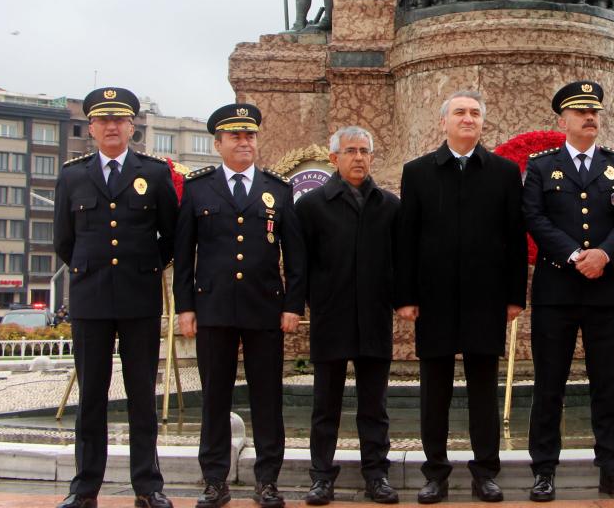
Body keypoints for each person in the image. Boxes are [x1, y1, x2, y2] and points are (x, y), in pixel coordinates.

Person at [394, 91, 528, 504]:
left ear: (482, 123)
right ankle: (435, 472)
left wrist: (514, 296)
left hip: (485, 298)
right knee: (435, 390)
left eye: (474, 113)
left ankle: (486, 471)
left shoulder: (504, 172)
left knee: (483, 390)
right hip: (433, 299)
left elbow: (514, 238)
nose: (467, 119)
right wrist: (406, 296)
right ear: (444, 122)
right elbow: (406, 239)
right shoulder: (417, 172)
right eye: (459, 113)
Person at [173, 103, 306, 508]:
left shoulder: (278, 189)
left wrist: (292, 306)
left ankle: (267, 480)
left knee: (267, 396)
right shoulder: (198, 189)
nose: (244, 142)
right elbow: (184, 253)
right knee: (214, 397)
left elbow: (296, 256)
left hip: (264, 308)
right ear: (218, 144)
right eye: (235, 136)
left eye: (249, 135)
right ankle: (214, 480)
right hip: (213, 308)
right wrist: (185, 308)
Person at [53, 87, 179, 508]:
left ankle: (148, 486)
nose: (111, 127)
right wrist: (92, 270)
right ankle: (85, 487)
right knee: (91, 397)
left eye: (119, 121)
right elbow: (63, 242)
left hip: (139, 298)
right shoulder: (72, 175)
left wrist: (144, 266)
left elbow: (171, 236)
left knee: (142, 395)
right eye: (103, 121)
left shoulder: (155, 173)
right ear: (91, 128)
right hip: (91, 300)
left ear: (132, 127)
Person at [522, 81, 614, 501]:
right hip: (557, 290)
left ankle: (612, 469)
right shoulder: (541, 167)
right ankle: (544, 470)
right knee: (548, 383)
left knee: (605, 384)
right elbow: (534, 218)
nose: (590, 118)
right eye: (580, 113)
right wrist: (575, 255)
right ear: (563, 120)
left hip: (605, 291)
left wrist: (604, 255)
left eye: (594, 112)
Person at [294, 127, 401, 506]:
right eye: (350, 151)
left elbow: (400, 261)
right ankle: (322, 477)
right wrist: (307, 303)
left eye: (364, 151)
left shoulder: (389, 206)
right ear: (334, 157)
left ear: (372, 157)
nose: (358, 157)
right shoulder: (311, 207)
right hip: (331, 317)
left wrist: (399, 300)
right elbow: (299, 264)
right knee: (326, 406)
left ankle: (377, 475)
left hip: (374, 317)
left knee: (375, 406)